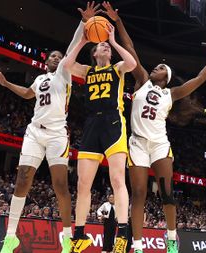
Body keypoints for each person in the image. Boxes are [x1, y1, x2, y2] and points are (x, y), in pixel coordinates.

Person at [101, 2, 206, 253]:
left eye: (160, 68)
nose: (155, 67)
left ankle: (172, 239)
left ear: (166, 77)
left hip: (159, 144)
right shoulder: (140, 81)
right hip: (137, 142)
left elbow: (199, 79)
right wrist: (118, 21)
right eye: (156, 66)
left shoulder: (171, 93)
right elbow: (130, 48)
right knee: (138, 195)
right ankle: (137, 246)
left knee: (167, 194)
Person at [0, 3, 100, 253]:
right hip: (34, 131)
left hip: (56, 135)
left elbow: (73, 45)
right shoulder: (40, 79)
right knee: (22, 180)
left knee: (60, 185)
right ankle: (11, 237)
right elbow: (28, 95)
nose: (58, 59)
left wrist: (84, 23)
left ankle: (66, 237)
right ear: (46, 60)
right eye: (54, 56)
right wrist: (7, 83)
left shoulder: (64, 73)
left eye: (61, 57)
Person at [63, 15, 137, 253]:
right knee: (83, 183)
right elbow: (66, 64)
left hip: (113, 122)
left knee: (117, 180)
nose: (104, 46)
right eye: (101, 45)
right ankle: (80, 235)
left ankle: (123, 233)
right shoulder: (87, 71)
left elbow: (133, 64)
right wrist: (83, 41)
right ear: (95, 53)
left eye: (107, 47)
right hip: (92, 125)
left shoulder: (118, 68)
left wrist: (114, 41)